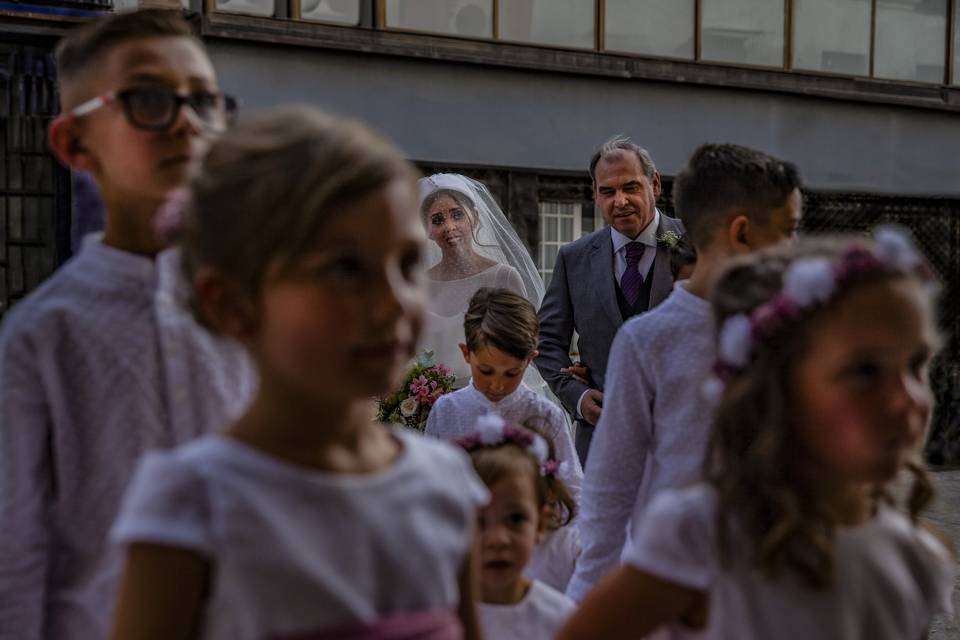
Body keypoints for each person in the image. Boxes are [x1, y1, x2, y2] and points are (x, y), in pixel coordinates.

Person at [109, 107, 488, 640]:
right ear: (233, 303)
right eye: (345, 269)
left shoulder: (447, 487)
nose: (392, 303)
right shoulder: (192, 504)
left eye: (405, 264)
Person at [559, 230, 956, 639]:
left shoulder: (915, 556)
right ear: (782, 386)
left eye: (916, 364)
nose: (905, 399)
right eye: (865, 371)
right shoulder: (703, 534)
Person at [0, 11, 251, 639]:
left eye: (204, 101)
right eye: (150, 100)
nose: (188, 123)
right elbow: (16, 552)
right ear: (74, 144)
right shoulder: (42, 336)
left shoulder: (255, 314)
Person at [567, 143, 803, 602]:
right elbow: (613, 487)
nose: (795, 247)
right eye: (789, 229)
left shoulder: (793, 328)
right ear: (741, 231)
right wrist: (586, 598)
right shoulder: (649, 340)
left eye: (631, 187)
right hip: (681, 578)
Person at [535, 136, 684, 465]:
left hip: (682, 440)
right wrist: (578, 396)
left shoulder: (693, 244)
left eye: (631, 187)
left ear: (654, 184)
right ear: (595, 195)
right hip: (602, 443)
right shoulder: (573, 259)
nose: (620, 201)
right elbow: (545, 342)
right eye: (608, 191)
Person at [426, 287, 582, 497]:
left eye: (511, 373)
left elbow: (572, 490)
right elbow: (430, 482)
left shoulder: (546, 415)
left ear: (529, 360)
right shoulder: (446, 411)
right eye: (486, 371)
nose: (497, 385)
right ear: (466, 353)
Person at [455, 415, 577, 640]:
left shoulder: (561, 618)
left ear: (540, 525)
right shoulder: (439, 616)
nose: (497, 539)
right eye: (479, 522)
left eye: (515, 519)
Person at [419, 173, 544, 388]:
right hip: (428, 406)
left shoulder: (503, 277)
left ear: (475, 218)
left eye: (457, 215)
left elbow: (525, 342)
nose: (449, 226)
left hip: (491, 398)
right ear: (427, 230)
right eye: (437, 220)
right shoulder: (419, 285)